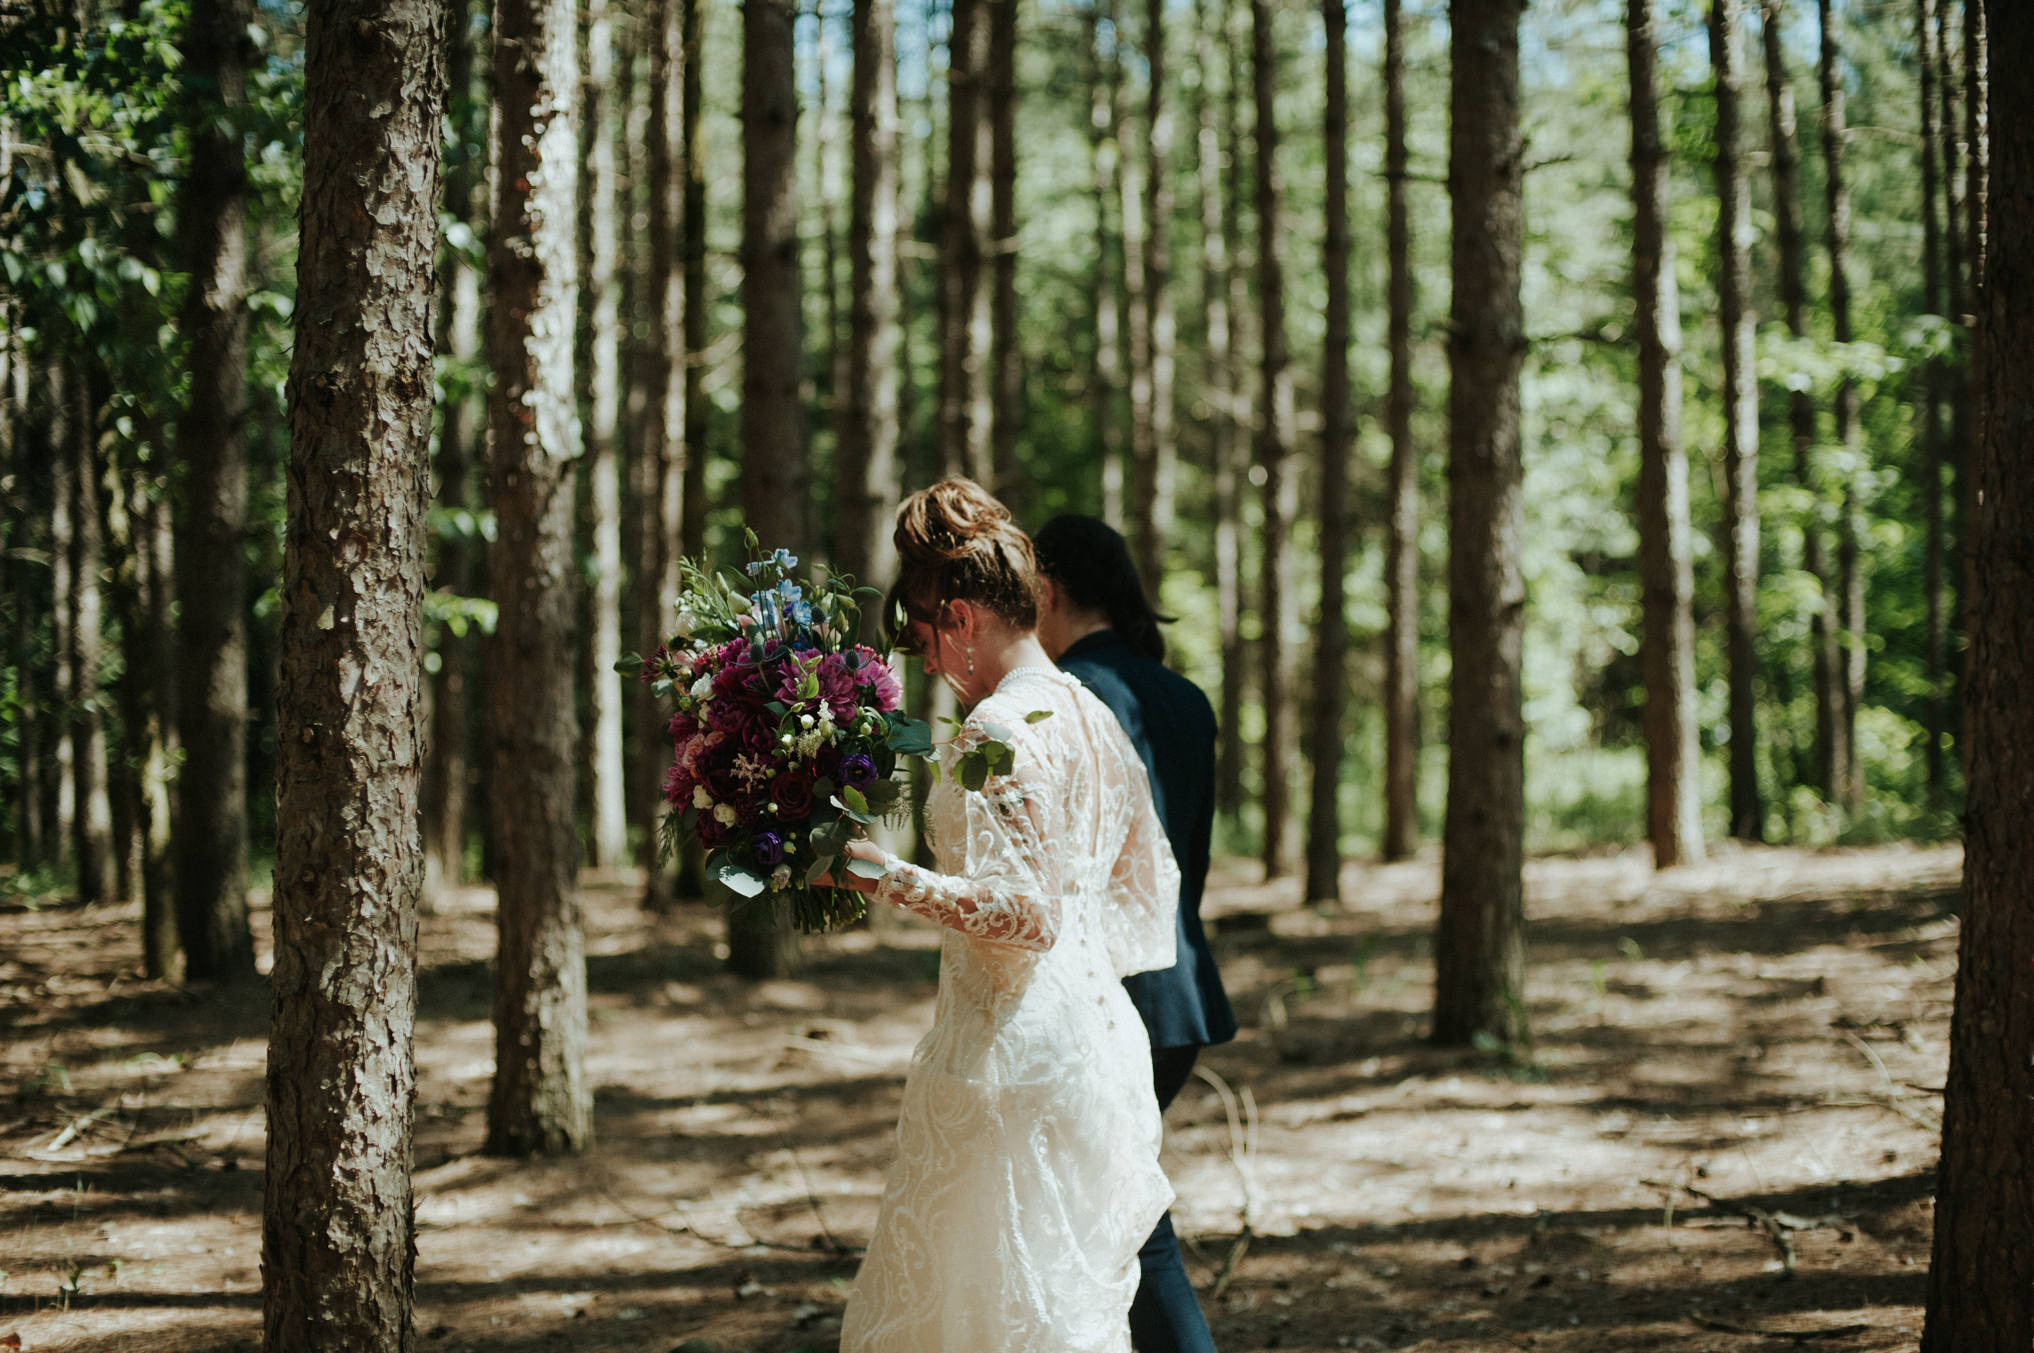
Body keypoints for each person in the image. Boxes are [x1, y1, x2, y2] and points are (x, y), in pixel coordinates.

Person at [829, 479, 1185, 1353]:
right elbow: (1143, 879)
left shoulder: (1004, 729)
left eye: (920, 640)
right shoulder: (1089, 712)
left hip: (1010, 1065)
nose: (923, 663)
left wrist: (888, 879)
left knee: (990, 1317)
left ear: (958, 616)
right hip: (1089, 1040)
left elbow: (1026, 915)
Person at [1033, 514, 1236, 1353]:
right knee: (1090, 1217)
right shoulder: (1183, 696)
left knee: (1126, 1224)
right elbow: (1191, 858)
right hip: (1180, 995)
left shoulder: (1071, 696)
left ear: (1047, 591)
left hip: (1110, 1002)